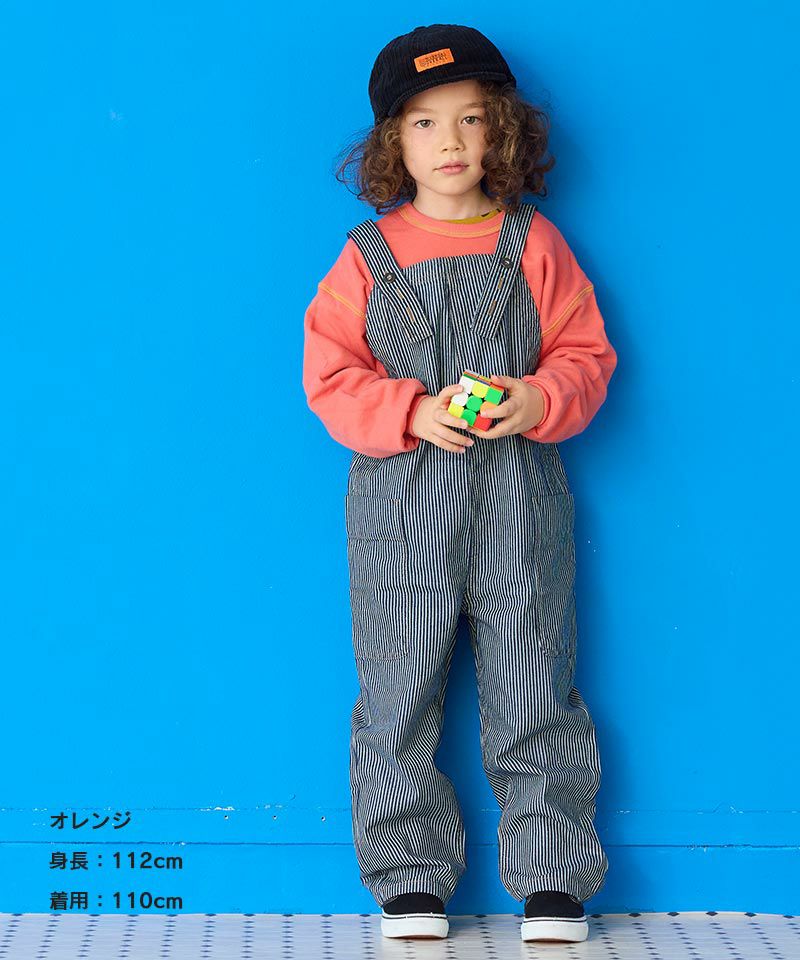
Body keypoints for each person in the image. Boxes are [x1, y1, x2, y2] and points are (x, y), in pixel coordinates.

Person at [302, 23, 617, 945]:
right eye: (424, 123)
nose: (450, 142)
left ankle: (552, 880)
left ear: (503, 132)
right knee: (398, 690)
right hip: (401, 509)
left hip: (519, 500)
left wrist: (537, 397)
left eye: (472, 119)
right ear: (392, 144)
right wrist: (408, 409)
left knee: (535, 681)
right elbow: (328, 375)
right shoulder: (368, 255)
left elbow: (587, 355)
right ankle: (409, 880)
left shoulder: (535, 243)